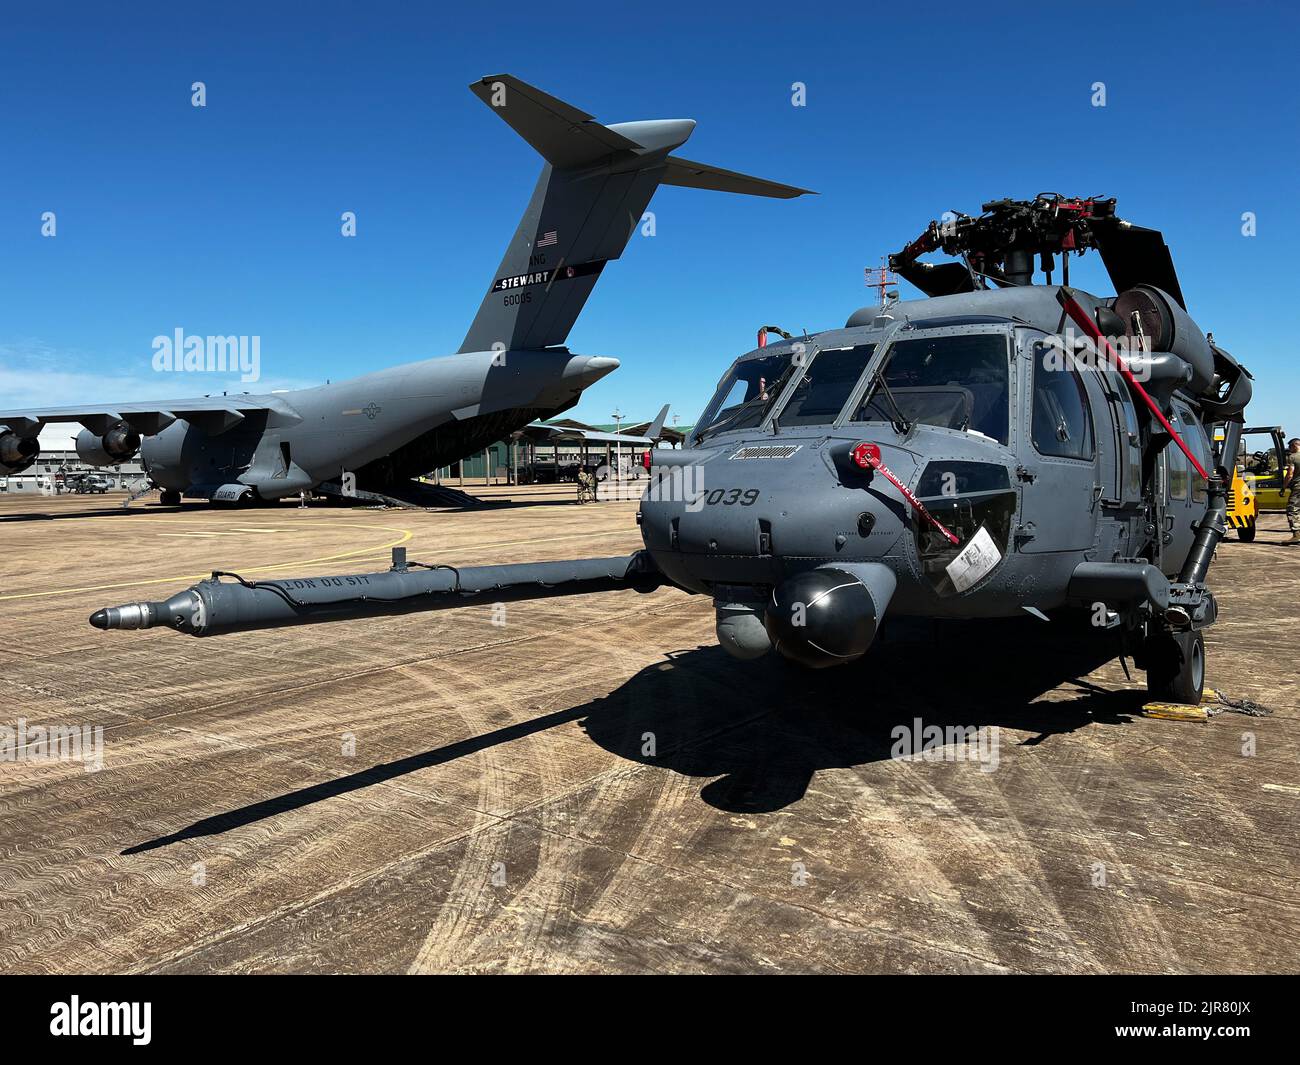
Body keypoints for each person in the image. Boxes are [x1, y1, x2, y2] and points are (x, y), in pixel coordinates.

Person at [1285, 437, 1300, 544]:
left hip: (1298, 487)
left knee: (1292, 509)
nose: (1289, 449)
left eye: (1290, 447)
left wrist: (1283, 487)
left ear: (1295, 446)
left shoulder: (1293, 457)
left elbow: (1289, 475)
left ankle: (1296, 534)